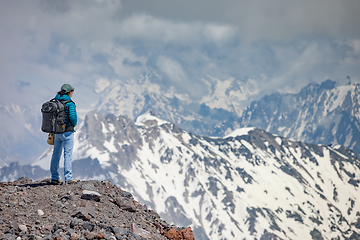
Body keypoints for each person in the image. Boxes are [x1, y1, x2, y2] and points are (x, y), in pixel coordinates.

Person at [50, 83, 79, 185]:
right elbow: (73, 118)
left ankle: (54, 177)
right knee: (68, 155)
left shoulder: (55, 101)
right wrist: (74, 124)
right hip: (67, 132)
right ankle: (68, 178)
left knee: (56, 154)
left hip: (57, 132)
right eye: (72, 91)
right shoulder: (70, 103)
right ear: (69, 92)